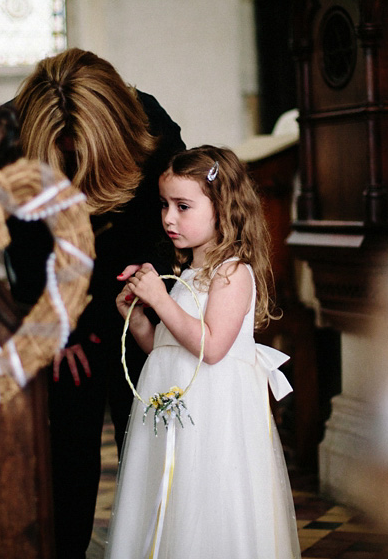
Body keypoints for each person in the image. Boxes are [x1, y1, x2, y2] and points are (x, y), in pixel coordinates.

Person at [4, 48, 184, 558]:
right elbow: (24, 248)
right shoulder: (10, 139)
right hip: (67, 312)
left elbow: (177, 228)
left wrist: (153, 296)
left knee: (148, 441)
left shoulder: (151, 126)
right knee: (69, 458)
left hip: (139, 308)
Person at [106, 146, 300, 559]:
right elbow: (169, 349)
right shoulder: (187, 272)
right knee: (171, 495)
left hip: (215, 416)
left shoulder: (233, 272)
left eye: (183, 206)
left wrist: (161, 301)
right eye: (164, 205)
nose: (169, 218)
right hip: (178, 413)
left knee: (206, 499)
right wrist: (140, 320)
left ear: (223, 208)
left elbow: (210, 348)